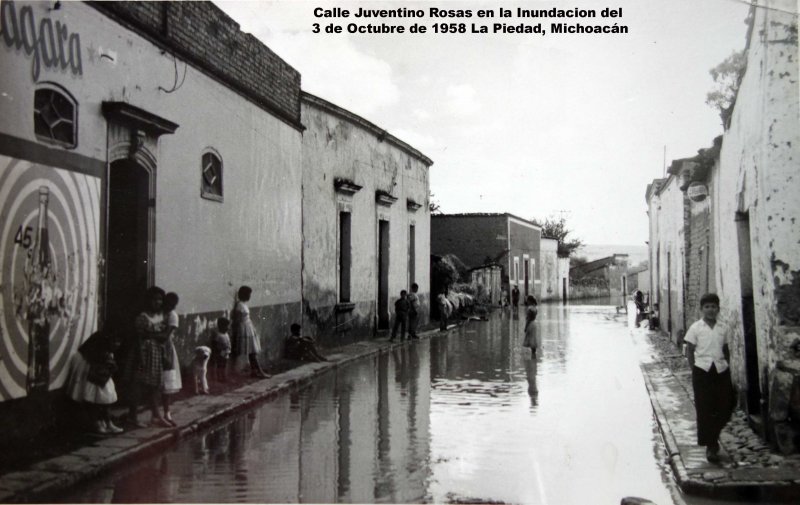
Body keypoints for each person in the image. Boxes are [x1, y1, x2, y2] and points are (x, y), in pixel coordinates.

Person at [684, 293, 735, 464]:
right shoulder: (696, 328)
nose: (710, 310)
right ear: (701, 309)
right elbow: (689, 350)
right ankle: (711, 446)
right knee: (705, 409)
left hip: (721, 371)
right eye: (707, 307)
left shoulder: (723, 327)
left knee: (726, 405)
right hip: (702, 371)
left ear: (718, 309)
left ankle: (714, 434)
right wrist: (694, 369)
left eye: (713, 307)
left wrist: (727, 366)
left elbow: (726, 349)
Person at [65, 328, 124, 434]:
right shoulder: (98, 348)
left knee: (107, 396)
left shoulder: (107, 351)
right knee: (94, 397)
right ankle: (97, 422)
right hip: (90, 369)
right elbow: (96, 361)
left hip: (99, 370)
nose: (118, 345)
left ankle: (107, 421)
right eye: (115, 342)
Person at [129, 286, 171, 428]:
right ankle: (133, 417)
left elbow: (164, 337)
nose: (157, 302)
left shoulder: (161, 317)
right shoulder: (142, 317)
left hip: (156, 353)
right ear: (149, 301)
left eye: (160, 299)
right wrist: (140, 358)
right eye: (154, 299)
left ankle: (156, 416)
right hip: (144, 354)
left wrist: (155, 338)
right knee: (139, 385)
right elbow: (139, 338)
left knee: (155, 386)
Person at [232, 286, 270, 378]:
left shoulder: (244, 304)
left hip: (248, 327)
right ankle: (259, 372)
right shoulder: (240, 305)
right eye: (249, 294)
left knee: (252, 351)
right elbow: (237, 319)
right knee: (252, 352)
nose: (250, 296)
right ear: (244, 294)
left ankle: (255, 371)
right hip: (244, 329)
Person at [160, 292, 182, 426]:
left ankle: (167, 412)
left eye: (172, 304)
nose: (169, 306)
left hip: (166, 347)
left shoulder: (172, 316)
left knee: (167, 382)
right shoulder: (159, 313)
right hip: (156, 347)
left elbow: (166, 335)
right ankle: (156, 414)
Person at [211, 317, 232, 383]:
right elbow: (215, 344)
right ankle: (219, 377)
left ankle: (223, 376)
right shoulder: (219, 335)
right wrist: (218, 351)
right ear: (221, 327)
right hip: (221, 353)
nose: (228, 328)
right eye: (226, 326)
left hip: (226, 352)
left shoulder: (226, 334)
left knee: (224, 365)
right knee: (220, 365)